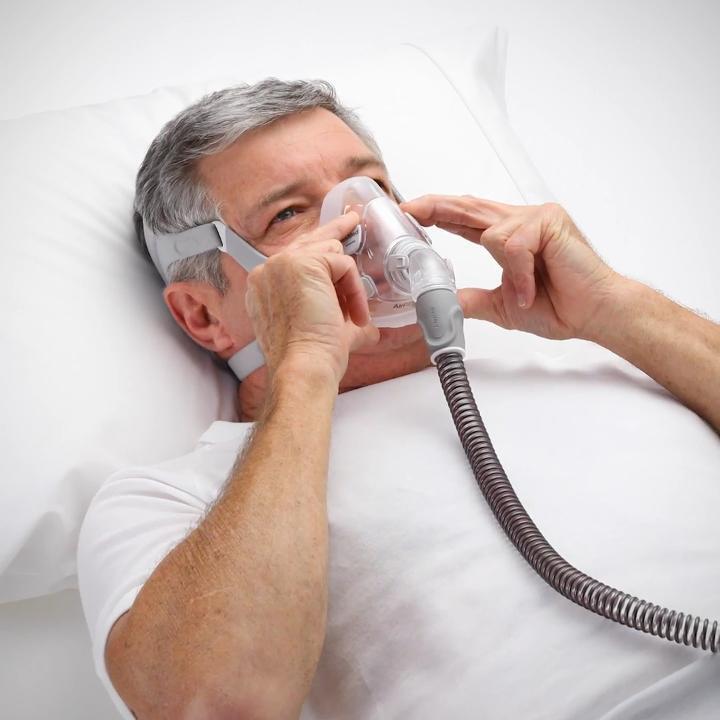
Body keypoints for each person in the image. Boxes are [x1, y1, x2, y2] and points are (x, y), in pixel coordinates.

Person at [77, 78, 720, 720]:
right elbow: (215, 707)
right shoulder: (175, 500)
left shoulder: (602, 354)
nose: (364, 223)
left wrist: (615, 309)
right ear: (203, 315)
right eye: (289, 214)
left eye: (373, 187)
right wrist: (306, 366)